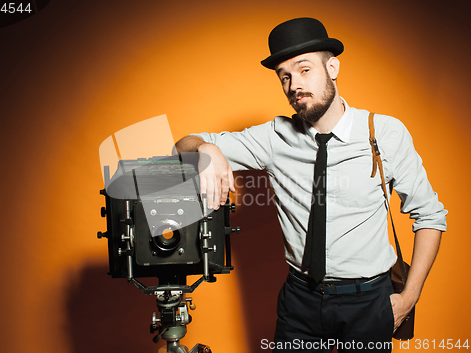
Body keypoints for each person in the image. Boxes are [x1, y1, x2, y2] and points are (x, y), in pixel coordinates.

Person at [174, 17, 447, 352]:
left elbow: (431, 217)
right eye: (284, 76)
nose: (294, 85)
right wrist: (206, 148)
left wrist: (409, 298)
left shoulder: (384, 133)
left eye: (304, 70)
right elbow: (181, 146)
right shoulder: (274, 138)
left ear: (332, 67)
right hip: (299, 300)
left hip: (369, 301)